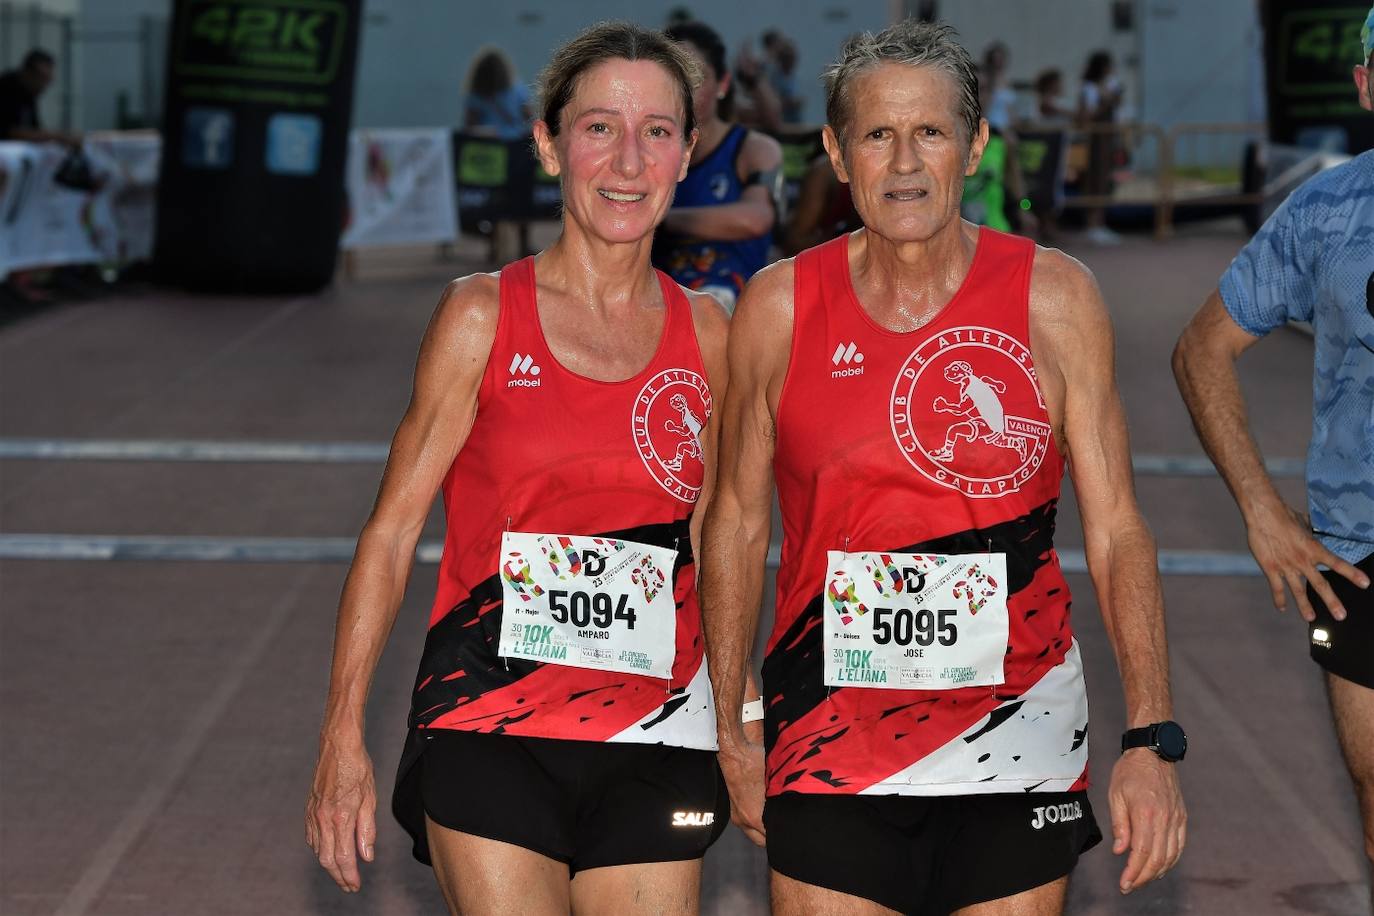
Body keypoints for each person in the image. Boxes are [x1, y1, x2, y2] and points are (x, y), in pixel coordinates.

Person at [701, 20, 1186, 915]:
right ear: (837, 155)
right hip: (828, 730)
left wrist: (1150, 737)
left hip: (1020, 725)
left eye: (930, 131)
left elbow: (1118, 527)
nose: (904, 163)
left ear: (976, 143)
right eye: (877, 135)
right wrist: (732, 719)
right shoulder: (778, 308)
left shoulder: (1056, 296)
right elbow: (734, 521)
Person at [306, 22, 738, 915]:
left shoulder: (712, 333)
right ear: (548, 144)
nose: (628, 159)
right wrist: (341, 734)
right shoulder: (479, 318)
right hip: (490, 716)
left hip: (655, 727)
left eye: (657, 130)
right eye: (598, 127)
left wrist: (742, 720)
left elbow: (718, 544)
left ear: (687, 152)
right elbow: (390, 535)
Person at [1172, 7, 1374, 905]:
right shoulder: (1329, 210)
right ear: (1366, 84)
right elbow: (1200, 347)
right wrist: (1260, 508)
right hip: (1363, 556)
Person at [653, 21, 783, 313]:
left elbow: (756, 218)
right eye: (671, 76)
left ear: (722, 84)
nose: (682, 90)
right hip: (658, 302)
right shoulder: (643, 151)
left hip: (733, 306)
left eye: (695, 77)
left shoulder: (752, 149)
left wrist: (659, 220)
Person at [1076, 50, 1124, 246]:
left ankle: (1101, 221)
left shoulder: (1110, 84)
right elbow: (1087, 115)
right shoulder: (1089, 88)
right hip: (1095, 138)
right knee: (1094, 178)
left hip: (1108, 136)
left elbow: (1117, 104)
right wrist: (1106, 103)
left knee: (1105, 178)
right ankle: (1092, 223)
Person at [0, 49, 78, 146]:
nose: (45, 85)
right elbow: (11, 132)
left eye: (48, 80)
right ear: (28, 73)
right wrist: (57, 137)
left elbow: (34, 128)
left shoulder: (28, 93)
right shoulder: (7, 89)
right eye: (42, 78)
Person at [462, 47, 532, 141]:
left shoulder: (476, 94)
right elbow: (529, 117)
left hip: (488, 143)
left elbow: (470, 126)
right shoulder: (517, 89)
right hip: (514, 141)